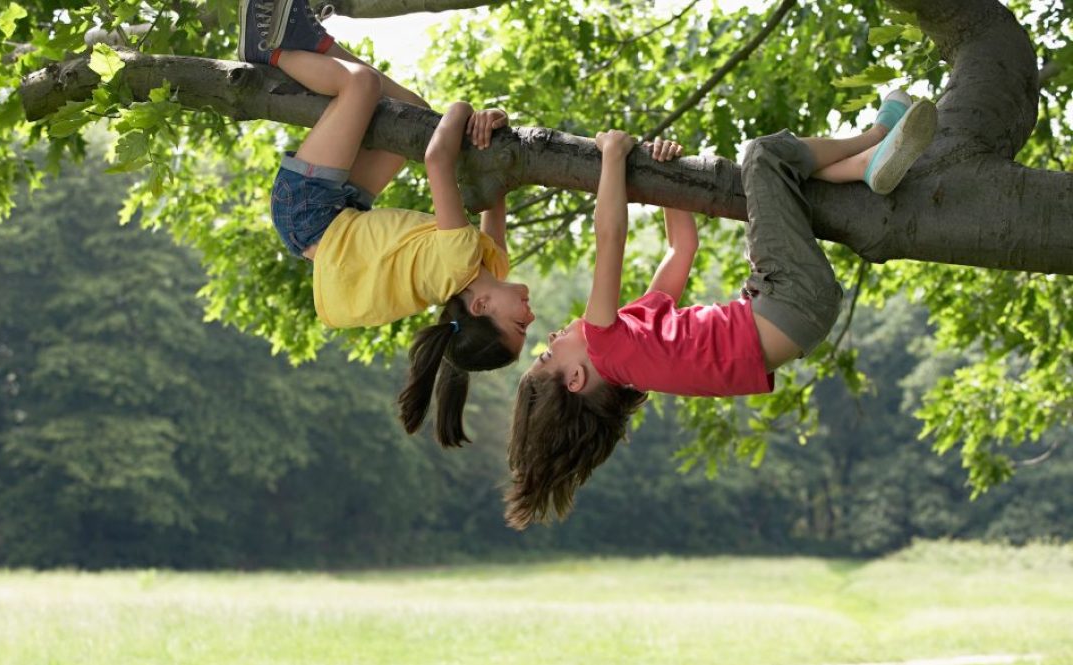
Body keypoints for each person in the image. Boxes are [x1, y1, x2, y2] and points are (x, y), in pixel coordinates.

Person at [504, 91, 937, 529]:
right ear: (576, 378)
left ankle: (864, 168)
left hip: (795, 310)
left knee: (776, 183)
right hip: (786, 299)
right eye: (547, 355)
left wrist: (667, 178)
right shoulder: (603, 342)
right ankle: (877, 135)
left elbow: (680, 250)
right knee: (762, 155)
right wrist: (613, 156)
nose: (552, 338)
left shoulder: (635, 351)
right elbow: (610, 237)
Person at [238, 0, 535, 446]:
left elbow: (437, 158)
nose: (531, 315)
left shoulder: (456, 263)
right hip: (346, 212)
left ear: (480, 308)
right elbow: (493, 188)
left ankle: (268, 50)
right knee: (410, 111)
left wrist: (462, 109)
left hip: (310, 215)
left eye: (519, 325)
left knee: (361, 86)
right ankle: (309, 39)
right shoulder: (492, 267)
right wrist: (493, 125)